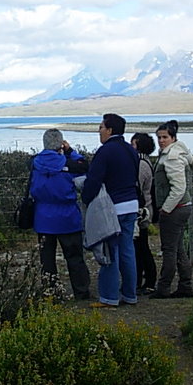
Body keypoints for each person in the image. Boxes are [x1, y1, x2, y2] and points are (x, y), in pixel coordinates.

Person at [81, 113, 140, 308]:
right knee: (127, 251)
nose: (99, 131)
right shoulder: (130, 150)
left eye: (100, 127)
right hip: (132, 204)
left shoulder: (105, 151)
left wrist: (86, 198)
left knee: (109, 252)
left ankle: (109, 296)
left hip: (112, 208)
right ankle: (130, 294)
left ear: (110, 130)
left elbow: (94, 179)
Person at [30, 129, 91, 300]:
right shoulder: (69, 163)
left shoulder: (34, 163)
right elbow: (84, 167)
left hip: (42, 216)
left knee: (47, 259)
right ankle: (81, 291)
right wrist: (71, 151)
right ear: (61, 144)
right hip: (67, 216)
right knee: (74, 257)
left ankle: (51, 292)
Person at [150, 120, 193, 299]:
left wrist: (166, 209)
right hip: (182, 207)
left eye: (165, 137)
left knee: (169, 249)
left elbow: (178, 187)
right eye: (159, 137)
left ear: (173, 138)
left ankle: (163, 287)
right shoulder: (172, 154)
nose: (161, 141)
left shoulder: (172, 158)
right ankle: (185, 285)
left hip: (175, 208)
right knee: (178, 248)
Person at [131, 132, 157, 295]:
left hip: (142, 211)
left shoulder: (140, 163)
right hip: (145, 208)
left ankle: (149, 280)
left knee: (142, 248)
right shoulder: (145, 161)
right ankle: (142, 280)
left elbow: (137, 186)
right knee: (140, 247)